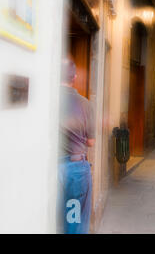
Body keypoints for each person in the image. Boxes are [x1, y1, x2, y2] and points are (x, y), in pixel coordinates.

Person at [58, 58, 95, 234]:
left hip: (52, 166)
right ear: (74, 77)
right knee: (73, 220)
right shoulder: (85, 104)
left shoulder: (47, 100)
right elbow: (91, 141)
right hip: (75, 170)